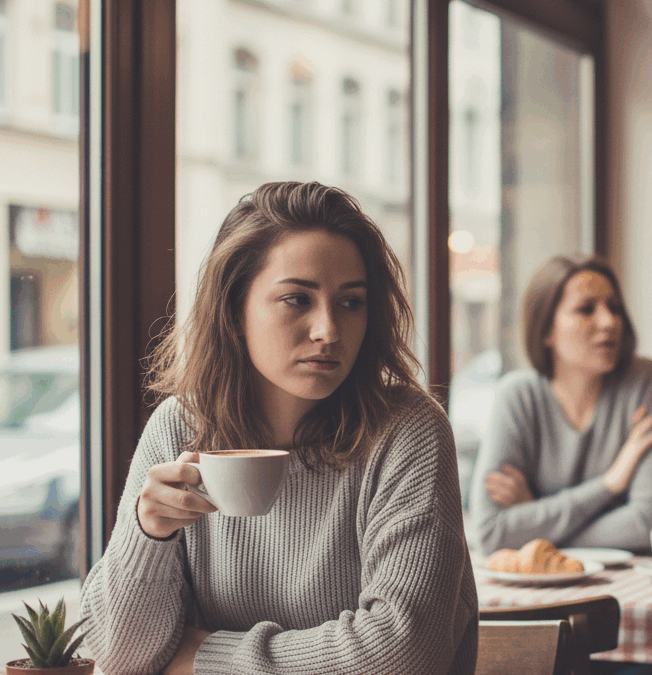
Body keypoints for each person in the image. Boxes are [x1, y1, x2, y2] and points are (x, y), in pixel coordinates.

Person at [79, 182, 477, 675]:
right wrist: (148, 533)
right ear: (234, 309)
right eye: (296, 299)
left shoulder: (407, 431)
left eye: (351, 303)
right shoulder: (180, 427)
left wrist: (204, 656)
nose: (328, 330)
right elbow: (117, 657)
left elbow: (403, 653)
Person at [469, 255, 652, 555]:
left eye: (615, 308)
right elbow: (490, 533)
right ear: (546, 330)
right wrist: (609, 484)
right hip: (537, 590)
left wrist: (536, 521)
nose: (609, 322)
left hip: (632, 586)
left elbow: (651, 523)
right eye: (586, 309)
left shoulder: (644, 382)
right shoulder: (517, 396)